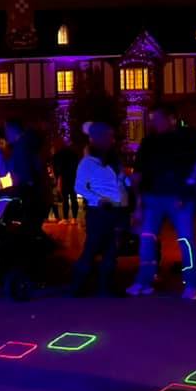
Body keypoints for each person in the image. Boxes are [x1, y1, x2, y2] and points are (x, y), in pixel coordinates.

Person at [128, 104, 196, 300]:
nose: (154, 123)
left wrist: (186, 190)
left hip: (179, 197)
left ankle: (192, 284)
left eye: (158, 118)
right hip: (152, 197)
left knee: (186, 240)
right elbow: (139, 170)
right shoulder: (149, 141)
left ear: (172, 118)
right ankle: (144, 280)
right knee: (147, 239)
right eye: (153, 119)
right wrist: (138, 199)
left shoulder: (188, 138)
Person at [71, 122, 126, 297]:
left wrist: (129, 185)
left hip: (115, 209)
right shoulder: (87, 163)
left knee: (112, 248)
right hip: (99, 211)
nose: (112, 140)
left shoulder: (114, 161)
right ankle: (79, 284)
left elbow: (120, 182)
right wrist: (98, 199)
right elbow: (79, 187)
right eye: (108, 136)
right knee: (92, 247)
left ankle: (105, 285)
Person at [52, 139, 80, 224]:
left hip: (63, 178)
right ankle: (74, 218)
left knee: (65, 198)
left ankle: (65, 218)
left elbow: (56, 168)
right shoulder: (73, 154)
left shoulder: (58, 155)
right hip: (73, 177)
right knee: (73, 198)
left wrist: (57, 178)